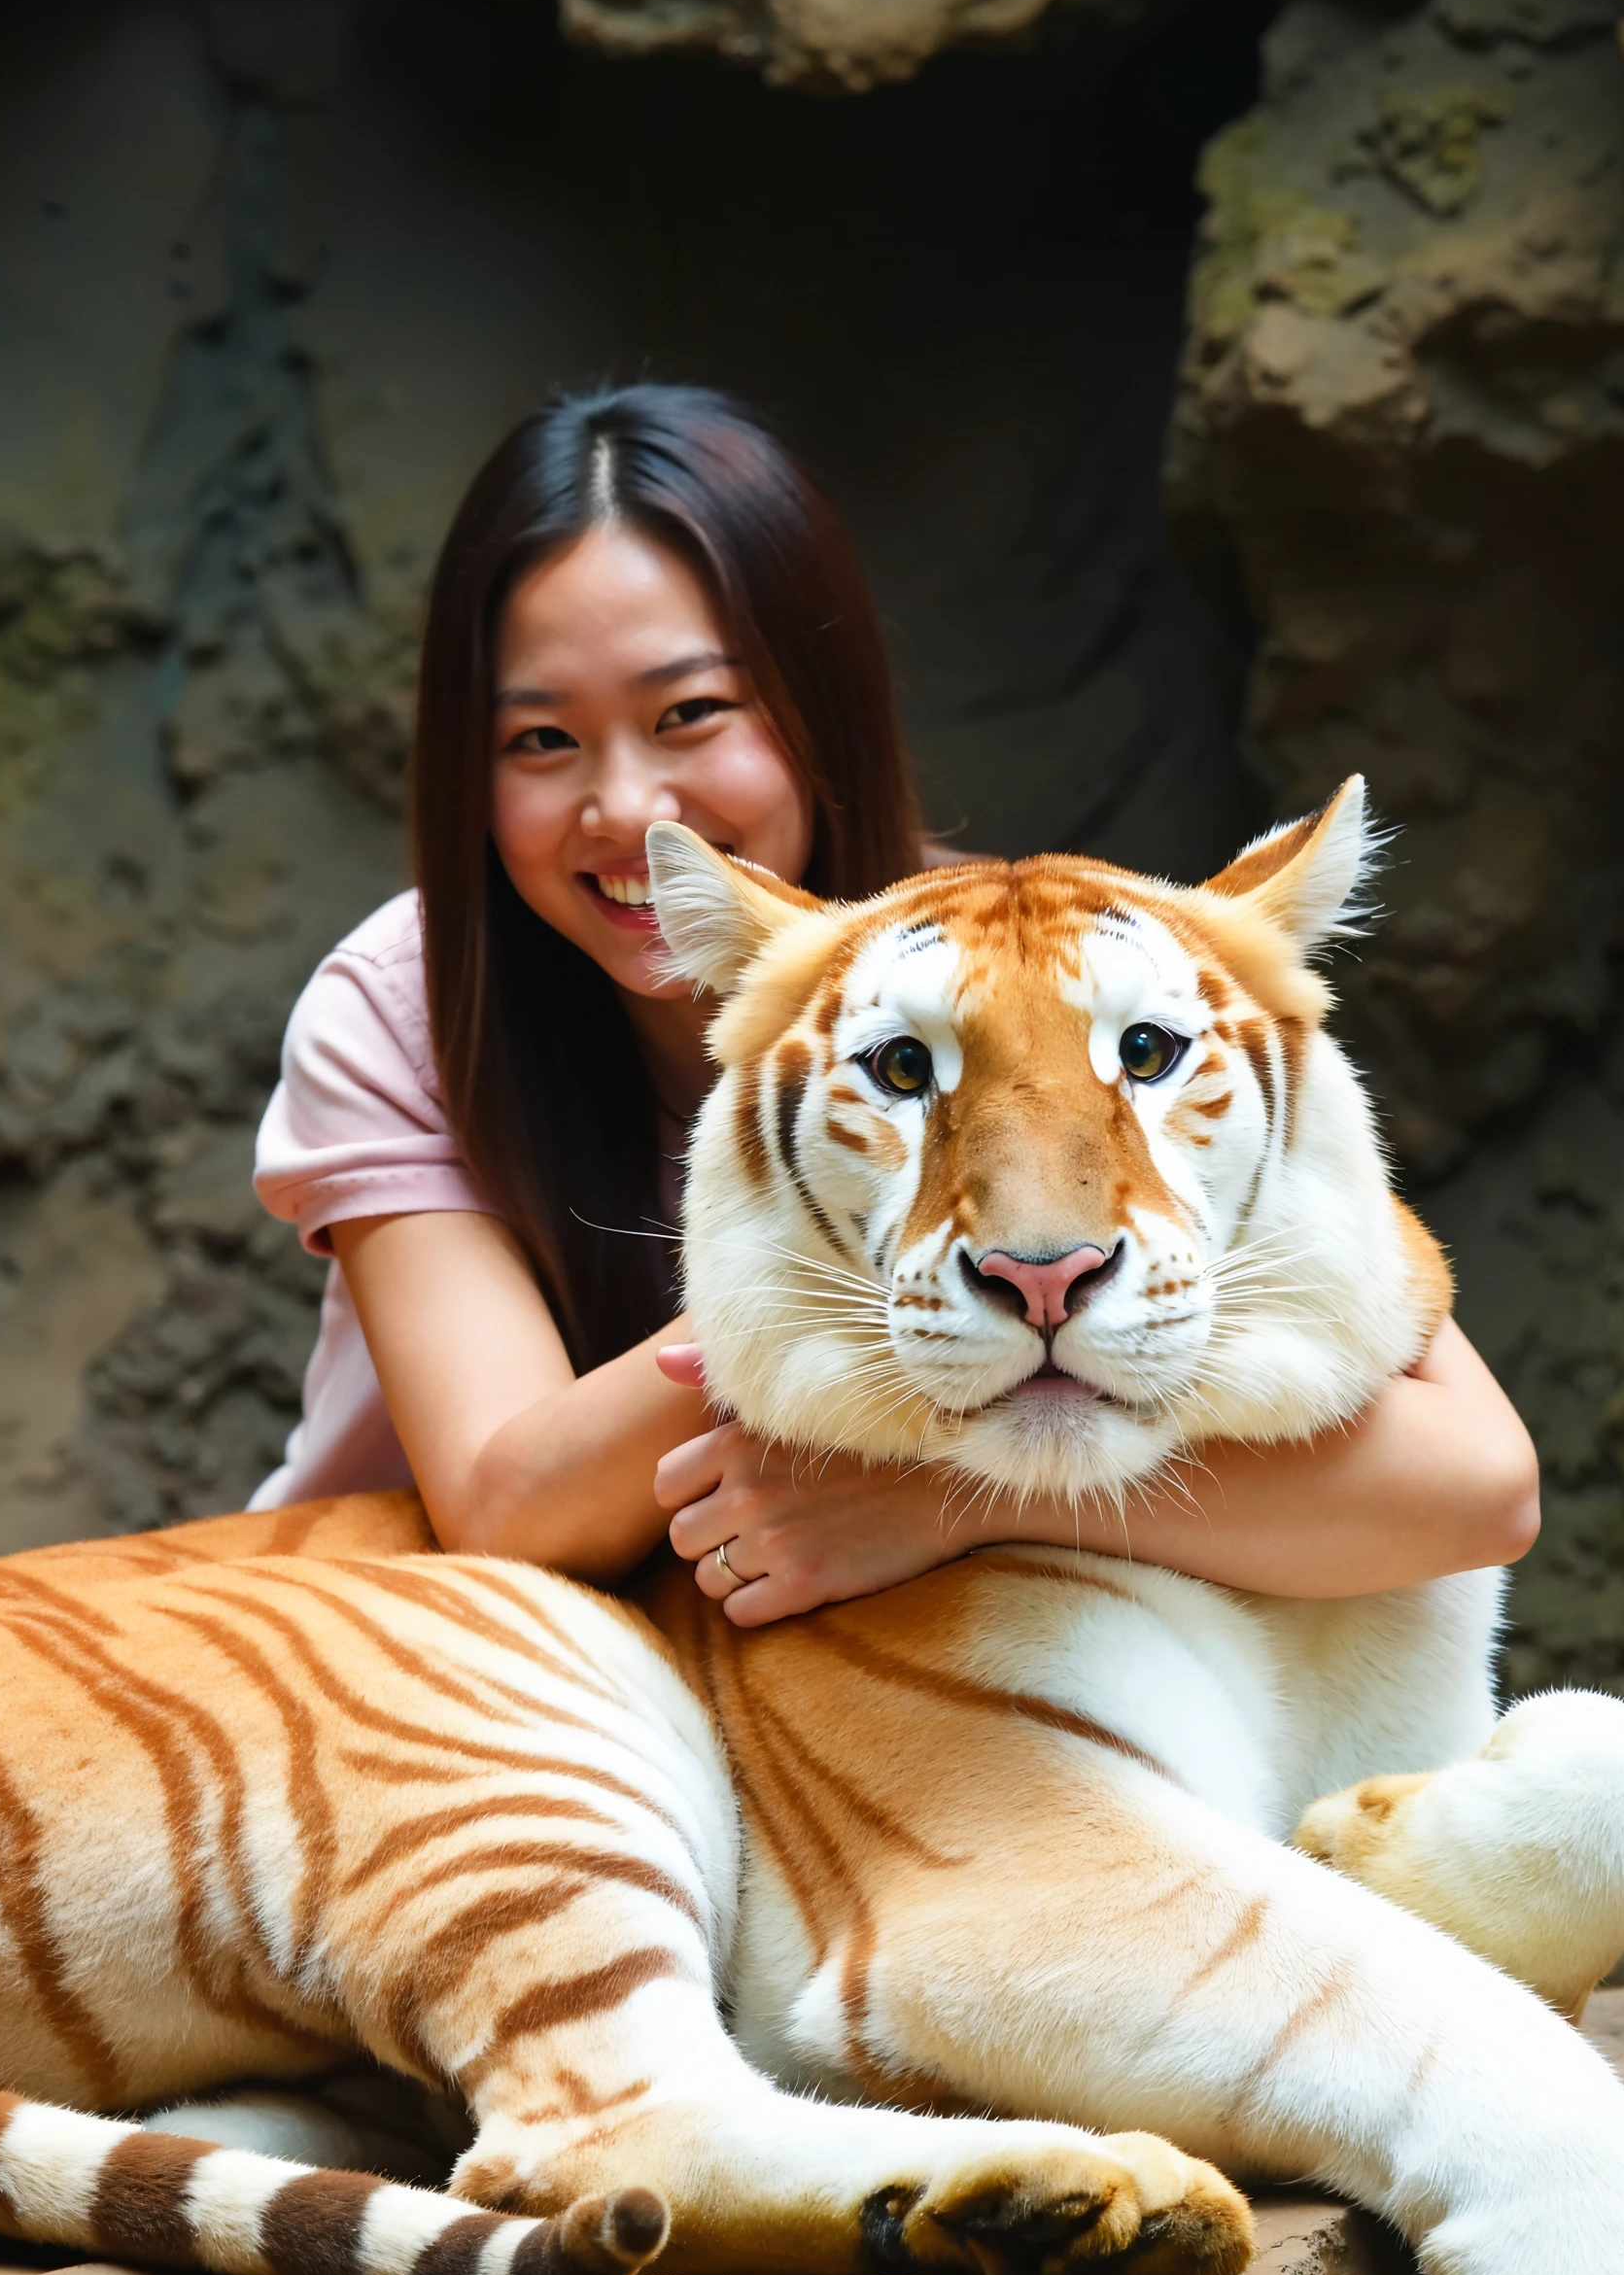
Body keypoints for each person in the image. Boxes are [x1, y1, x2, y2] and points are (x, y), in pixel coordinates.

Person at [252, 383, 1538, 1624]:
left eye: (690, 713)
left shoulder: (1026, 952)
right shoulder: (403, 1001)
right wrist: (844, 1306)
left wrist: (964, 1501)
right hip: (405, 1676)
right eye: (542, 741)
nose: (629, 813)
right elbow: (507, 1503)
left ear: (816, 706)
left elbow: (1479, 1486)